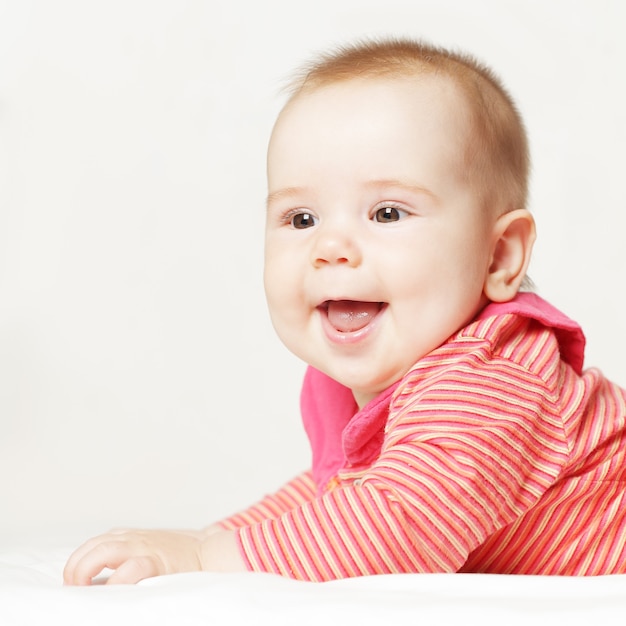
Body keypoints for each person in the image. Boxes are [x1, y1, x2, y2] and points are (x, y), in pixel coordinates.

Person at [63, 38, 626, 585]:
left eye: (385, 212)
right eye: (300, 219)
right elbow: (335, 495)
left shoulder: (492, 381)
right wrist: (206, 537)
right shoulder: (375, 378)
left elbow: (396, 525)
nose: (330, 247)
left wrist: (208, 556)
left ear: (498, 255)